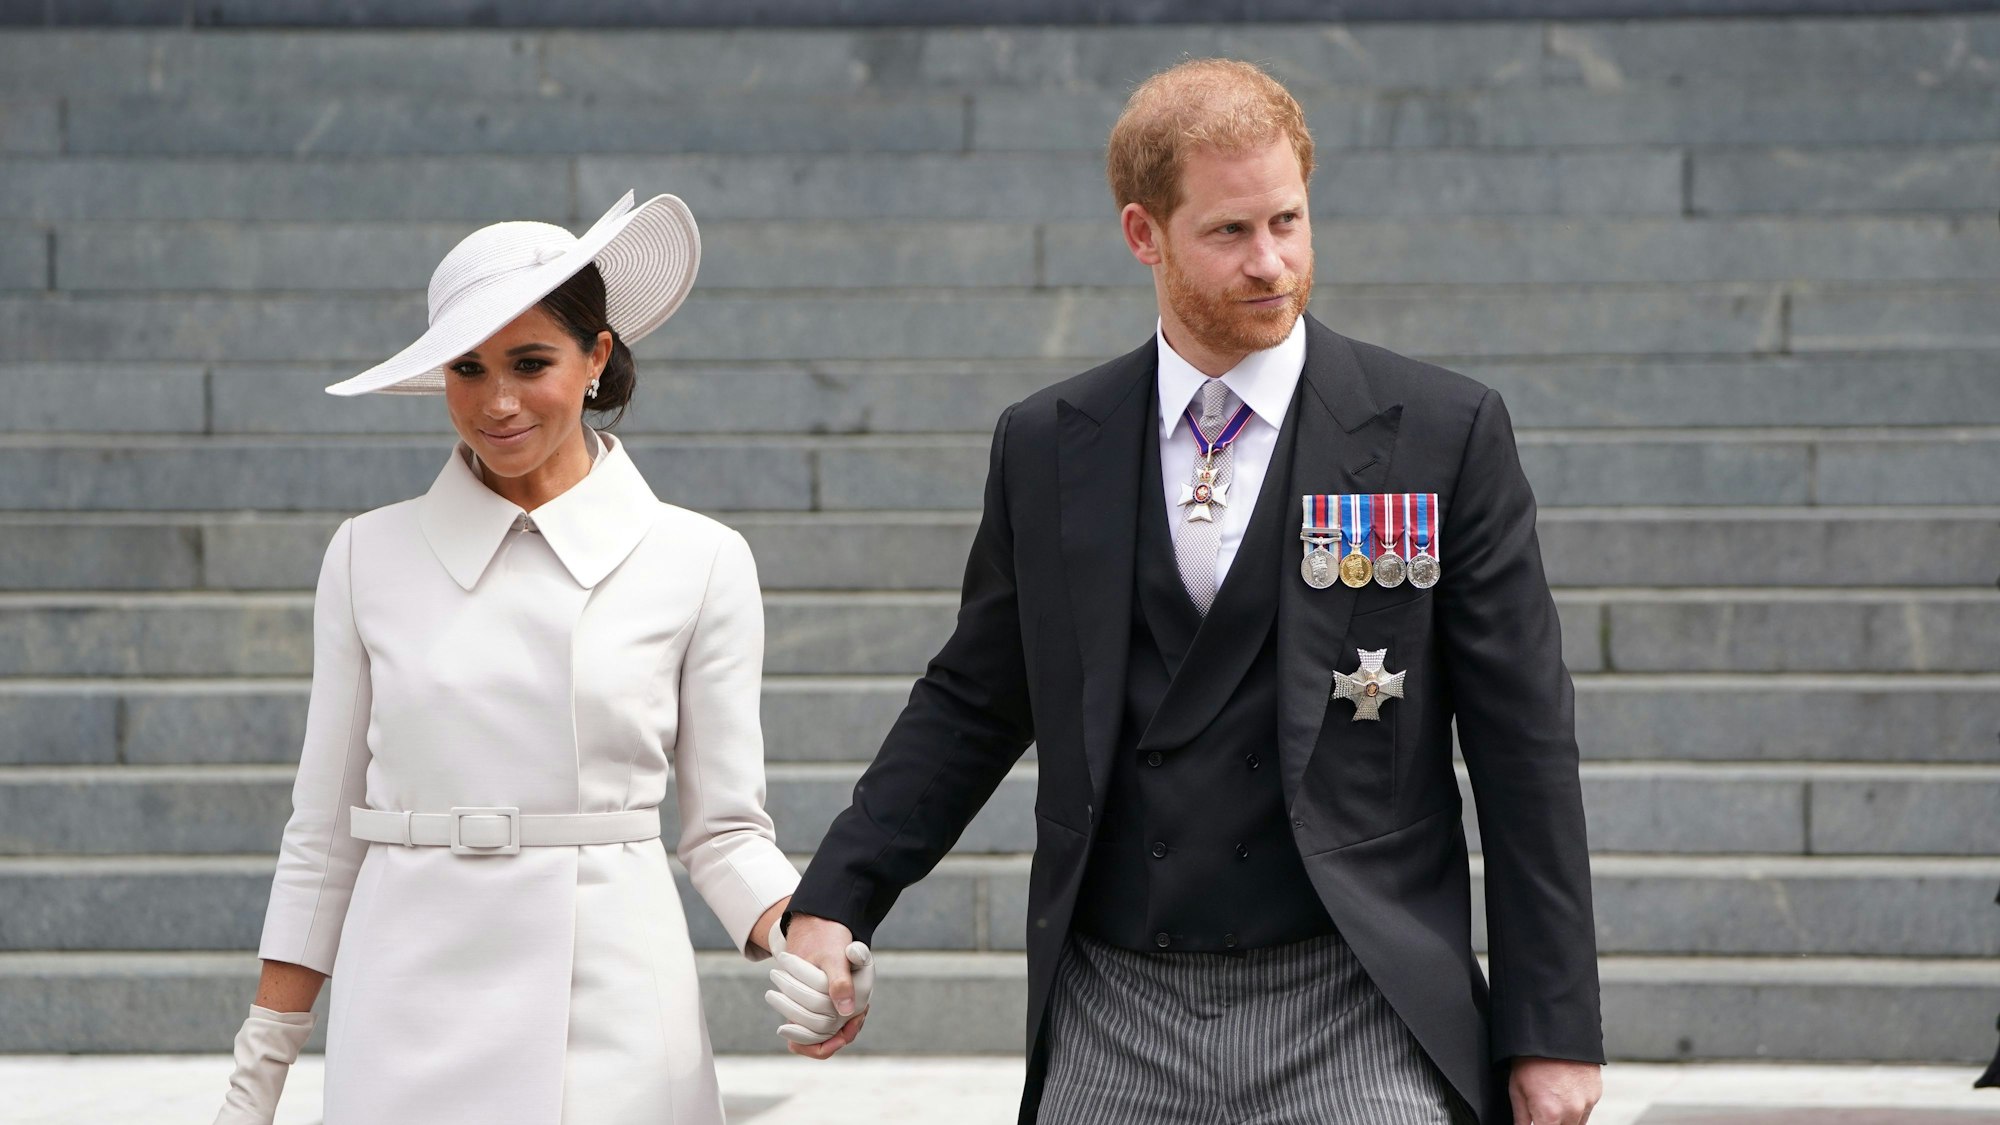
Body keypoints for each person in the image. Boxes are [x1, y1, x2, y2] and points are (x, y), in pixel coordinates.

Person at [775, 59, 1605, 1124]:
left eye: (1288, 221)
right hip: (1113, 1007)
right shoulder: (1046, 444)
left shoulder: (1440, 432)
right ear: (1142, 234)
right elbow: (976, 697)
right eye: (1228, 233)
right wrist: (835, 898)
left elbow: (1522, 738)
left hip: (1356, 1001)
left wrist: (1551, 1029)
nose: (1271, 263)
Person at [211, 192, 801, 1125]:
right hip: (404, 996)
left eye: (532, 363)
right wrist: (261, 1069)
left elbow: (727, 831)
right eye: (468, 367)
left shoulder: (701, 559)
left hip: (615, 1005)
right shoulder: (368, 556)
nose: (497, 402)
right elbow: (324, 837)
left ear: (597, 356)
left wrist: (803, 935)